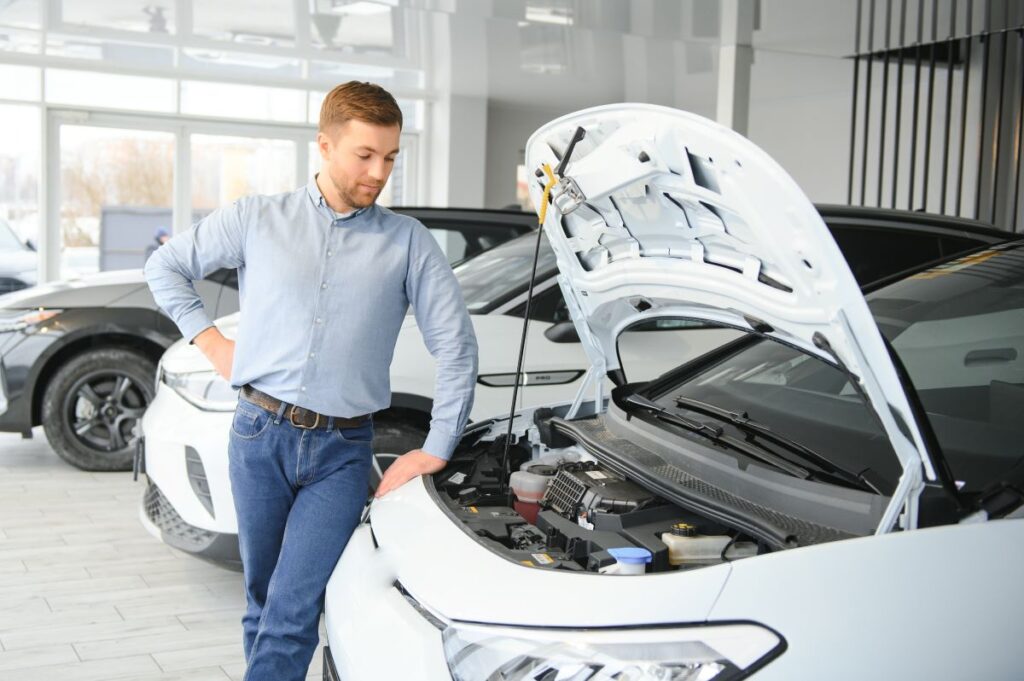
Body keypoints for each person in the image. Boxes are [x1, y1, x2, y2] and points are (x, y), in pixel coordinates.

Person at [144, 81, 477, 681]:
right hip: (256, 436)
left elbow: (456, 346)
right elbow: (165, 267)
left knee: (292, 610)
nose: (379, 172)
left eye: (391, 157)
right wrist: (211, 341)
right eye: (365, 155)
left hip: (340, 454)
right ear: (324, 146)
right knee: (264, 601)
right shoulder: (256, 218)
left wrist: (436, 445)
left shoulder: (409, 244)